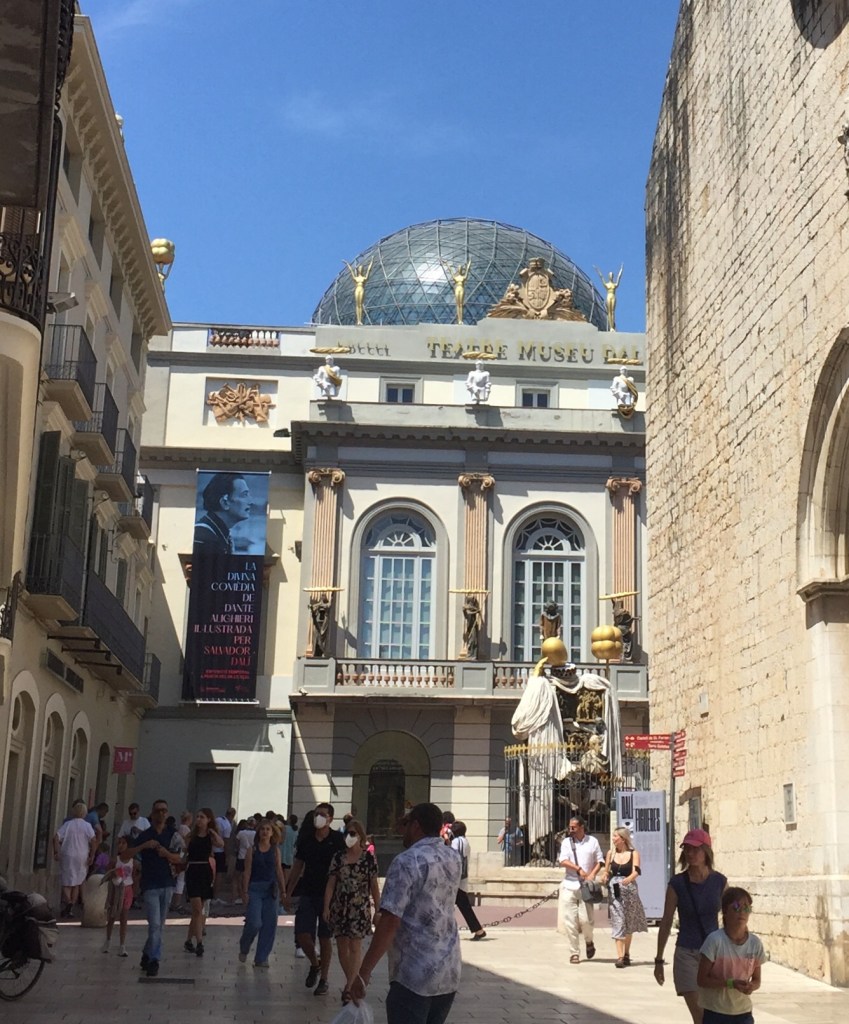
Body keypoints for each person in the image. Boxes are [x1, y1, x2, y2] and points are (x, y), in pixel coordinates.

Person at [350, 802, 461, 1024]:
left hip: (414, 973)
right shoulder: (453, 857)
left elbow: (390, 920)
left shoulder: (407, 861)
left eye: (405, 823)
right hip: (448, 970)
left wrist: (364, 972)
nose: (402, 830)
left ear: (416, 826)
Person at [655, 828, 728, 1024]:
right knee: (700, 1016)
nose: (690, 853)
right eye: (687, 849)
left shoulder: (719, 882)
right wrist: (659, 960)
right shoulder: (677, 884)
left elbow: (731, 914)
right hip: (686, 953)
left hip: (713, 955)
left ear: (706, 852)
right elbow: (666, 921)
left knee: (713, 1015)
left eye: (695, 849)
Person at [283, 801, 346, 996]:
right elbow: (297, 866)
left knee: (325, 937)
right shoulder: (306, 839)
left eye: (323, 814)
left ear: (330, 818)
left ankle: (324, 979)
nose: (318, 817)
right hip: (308, 892)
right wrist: (288, 892)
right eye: (316, 813)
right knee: (302, 934)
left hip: (330, 895)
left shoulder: (337, 839)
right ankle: (315, 963)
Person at [323, 817, 380, 1004]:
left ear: (360, 836)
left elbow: (374, 885)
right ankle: (353, 981)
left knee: (355, 946)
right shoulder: (338, 857)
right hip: (340, 906)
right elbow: (331, 883)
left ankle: (349, 988)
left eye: (353, 833)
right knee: (342, 947)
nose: (349, 836)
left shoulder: (368, 859)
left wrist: (378, 908)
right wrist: (326, 906)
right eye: (347, 833)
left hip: (359, 907)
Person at [127, 798, 185, 977]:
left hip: (167, 883)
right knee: (154, 924)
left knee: (160, 925)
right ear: (152, 814)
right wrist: (144, 846)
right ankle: (154, 960)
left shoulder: (173, 835)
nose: (161, 813)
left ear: (167, 814)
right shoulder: (145, 835)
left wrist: (167, 854)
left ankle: (147, 953)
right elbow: (127, 854)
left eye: (164, 811)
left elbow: (181, 857)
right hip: (150, 884)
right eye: (158, 810)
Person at [697, 887, 765, 1024]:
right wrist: (730, 983)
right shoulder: (714, 941)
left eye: (746, 908)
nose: (742, 912)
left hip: (743, 1012)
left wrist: (751, 986)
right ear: (725, 911)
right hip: (716, 1011)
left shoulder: (755, 943)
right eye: (736, 907)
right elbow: (702, 979)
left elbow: (757, 979)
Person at [238, 818, 287, 968]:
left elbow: (279, 870)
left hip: (271, 890)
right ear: (258, 832)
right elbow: (247, 872)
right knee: (254, 922)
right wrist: (245, 892)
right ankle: (244, 945)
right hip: (255, 889)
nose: (265, 832)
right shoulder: (252, 850)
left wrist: (284, 891)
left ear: (272, 833)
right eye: (262, 829)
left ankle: (261, 957)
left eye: (268, 829)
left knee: (269, 924)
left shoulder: (275, 850)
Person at [558, 815, 604, 964]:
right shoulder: (567, 842)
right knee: (570, 921)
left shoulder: (592, 841)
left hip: (585, 886)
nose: (570, 830)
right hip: (569, 884)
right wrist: (578, 869)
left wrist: (592, 874)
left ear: (581, 827)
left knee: (586, 920)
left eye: (573, 827)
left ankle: (589, 941)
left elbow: (600, 861)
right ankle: (574, 952)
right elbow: (563, 860)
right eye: (569, 827)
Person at [600, 826, 647, 967]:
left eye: (615, 836)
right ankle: (620, 957)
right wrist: (605, 875)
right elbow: (607, 871)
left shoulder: (634, 853)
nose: (613, 839)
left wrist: (629, 878)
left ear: (623, 839)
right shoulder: (611, 854)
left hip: (630, 890)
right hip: (615, 890)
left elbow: (636, 870)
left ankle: (626, 953)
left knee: (628, 922)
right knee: (618, 920)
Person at [182, 808, 223, 957]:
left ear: (208, 819)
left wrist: (213, 832)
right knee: (197, 909)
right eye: (198, 817)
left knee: (197, 911)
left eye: (202, 817)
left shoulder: (210, 836)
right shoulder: (191, 835)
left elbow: (221, 844)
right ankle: (199, 942)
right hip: (193, 870)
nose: (199, 819)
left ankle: (188, 940)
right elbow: (184, 849)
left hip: (205, 871)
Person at [53, 799, 97, 917]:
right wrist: (92, 855)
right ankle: (71, 906)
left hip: (67, 854)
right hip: (82, 855)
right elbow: (93, 840)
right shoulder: (87, 826)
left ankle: (68, 902)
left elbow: (56, 837)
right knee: (77, 882)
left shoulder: (67, 824)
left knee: (66, 882)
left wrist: (56, 852)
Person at [193, 475, 252, 554]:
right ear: (224, 502)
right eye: (244, 495)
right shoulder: (203, 536)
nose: (250, 501)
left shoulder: (221, 535)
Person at [450, 821, 486, 940]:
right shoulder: (464, 841)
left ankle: (478, 930)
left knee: (462, 906)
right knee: (462, 906)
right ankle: (478, 930)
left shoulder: (458, 841)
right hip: (460, 879)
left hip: (456, 880)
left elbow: (455, 857)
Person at [101, 834, 134, 957]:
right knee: (112, 916)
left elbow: (135, 875)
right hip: (116, 889)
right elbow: (108, 873)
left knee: (124, 917)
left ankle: (122, 945)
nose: (120, 845)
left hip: (127, 889)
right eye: (119, 843)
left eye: (123, 843)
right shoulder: (115, 860)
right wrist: (113, 875)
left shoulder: (133, 861)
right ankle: (108, 940)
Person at [213, 806, 235, 899]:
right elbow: (226, 842)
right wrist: (227, 856)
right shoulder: (227, 826)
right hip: (220, 851)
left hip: (211, 850)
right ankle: (215, 896)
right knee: (219, 874)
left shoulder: (217, 820)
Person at [344, 258, 373, 325]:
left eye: (362, 269)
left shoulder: (364, 278)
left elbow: (369, 270)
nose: (361, 269)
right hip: (357, 290)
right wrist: (347, 264)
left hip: (362, 289)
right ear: (358, 270)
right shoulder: (356, 278)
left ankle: (360, 320)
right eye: (359, 268)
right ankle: (358, 320)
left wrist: (372, 261)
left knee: (360, 305)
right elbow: (351, 271)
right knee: (357, 305)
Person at [233, 817, 257, 903]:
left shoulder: (241, 833)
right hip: (251, 857)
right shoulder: (256, 834)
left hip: (241, 856)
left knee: (237, 878)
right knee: (248, 877)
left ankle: (237, 896)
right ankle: (247, 895)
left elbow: (237, 844)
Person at [594, 264, 623, 331]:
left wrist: (621, 269)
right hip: (608, 296)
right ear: (608, 276)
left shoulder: (615, 284)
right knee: (609, 312)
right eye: (610, 275)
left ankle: (612, 326)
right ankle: (611, 327)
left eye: (612, 275)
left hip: (613, 296)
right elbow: (601, 277)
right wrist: (597, 270)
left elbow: (619, 277)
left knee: (612, 311)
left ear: (613, 277)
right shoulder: (607, 285)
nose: (611, 276)